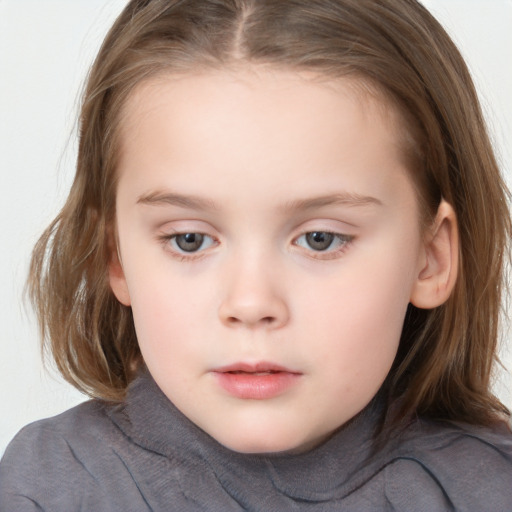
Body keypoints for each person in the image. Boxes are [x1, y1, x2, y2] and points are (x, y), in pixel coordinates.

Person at [1, 0, 511, 509]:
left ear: (431, 257)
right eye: (190, 240)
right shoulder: (47, 489)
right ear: (116, 257)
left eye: (320, 239)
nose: (250, 303)